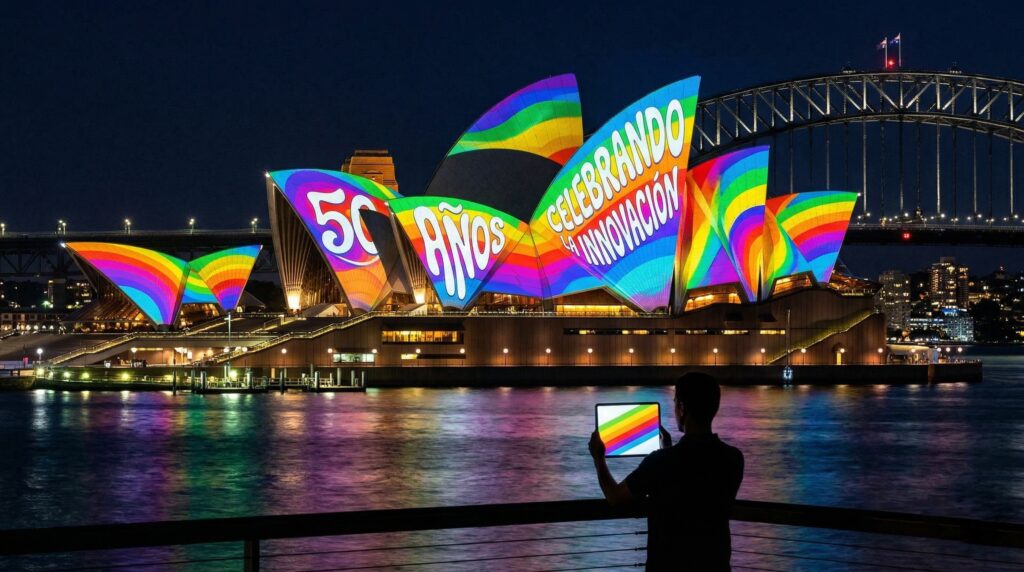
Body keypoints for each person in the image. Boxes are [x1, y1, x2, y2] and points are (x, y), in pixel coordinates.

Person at [589, 373, 744, 571]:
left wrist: (599, 457)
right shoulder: (733, 459)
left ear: (681, 407)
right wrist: (667, 452)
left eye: (675, 403)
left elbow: (615, 497)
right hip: (714, 565)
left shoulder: (659, 462)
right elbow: (696, 485)